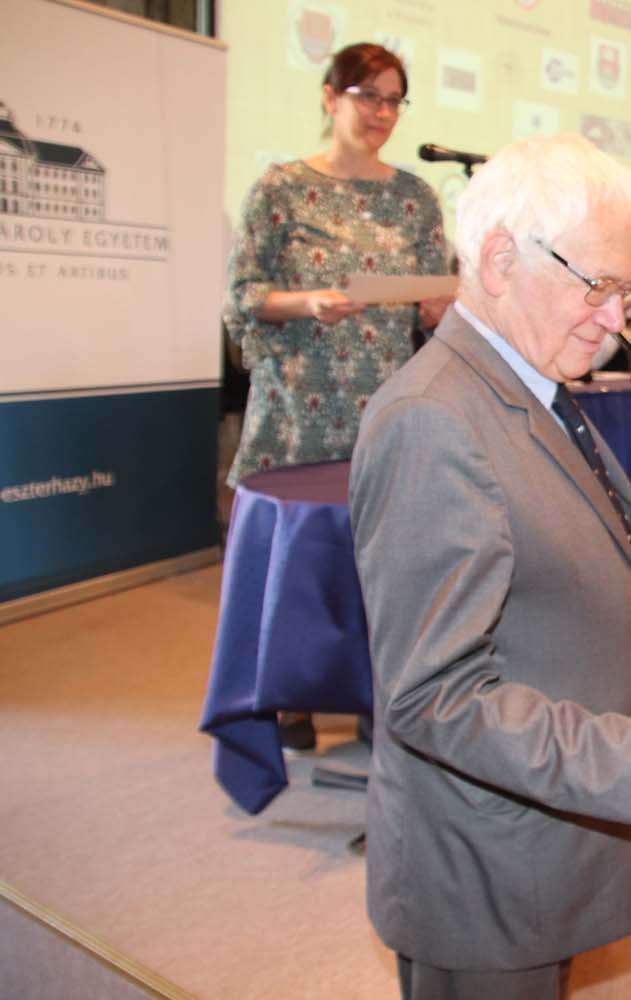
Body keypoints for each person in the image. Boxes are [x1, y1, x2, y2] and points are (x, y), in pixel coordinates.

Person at [347, 132, 631, 999]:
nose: (616, 321)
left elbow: (541, 588)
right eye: (598, 286)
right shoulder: (433, 420)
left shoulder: (529, 385)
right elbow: (436, 698)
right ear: (501, 260)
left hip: (544, 849)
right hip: (486, 878)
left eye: (625, 291)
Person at [221, 42, 449, 751]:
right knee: (302, 564)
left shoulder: (415, 197)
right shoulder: (280, 188)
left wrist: (440, 303)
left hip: (384, 408)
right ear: (329, 97)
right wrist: (307, 302)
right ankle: (289, 698)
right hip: (297, 407)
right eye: (367, 95)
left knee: (383, 560)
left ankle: (376, 695)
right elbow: (243, 294)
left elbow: (433, 301)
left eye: (393, 100)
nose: (382, 111)